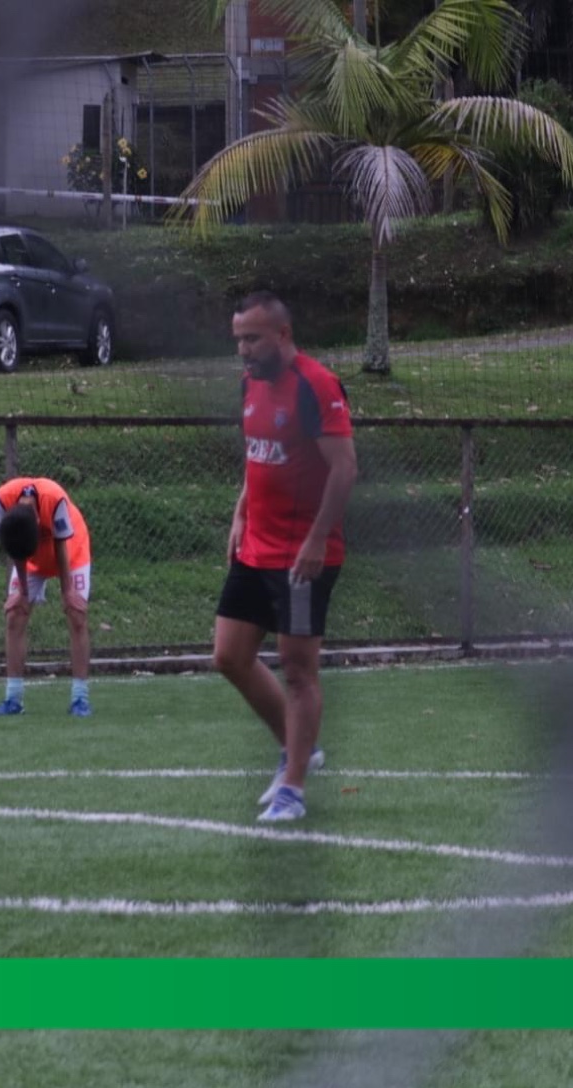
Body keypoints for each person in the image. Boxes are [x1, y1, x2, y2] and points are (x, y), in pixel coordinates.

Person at [213, 291, 356, 823]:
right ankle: (297, 749)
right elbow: (259, 458)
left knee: (298, 670)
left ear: (282, 335)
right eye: (238, 340)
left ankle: (293, 789)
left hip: (300, 561)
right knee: (228, 656)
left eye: (252, 338)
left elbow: (343, 469)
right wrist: (240, 515)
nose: (244, 350)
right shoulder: (249, 384)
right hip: (255, 551)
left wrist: (318, 540)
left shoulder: (317, 386)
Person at [0, 477, 94, 717]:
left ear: (38, 521)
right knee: (15, 615)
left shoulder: (53, 498)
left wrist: (68, 591)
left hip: (72, 551)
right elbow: (14, 547)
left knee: (76, 615)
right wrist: (23, 593)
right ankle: (13, 699)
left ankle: (80, 699)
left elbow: (60, 545)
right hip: (31, 557)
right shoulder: (1, 500)